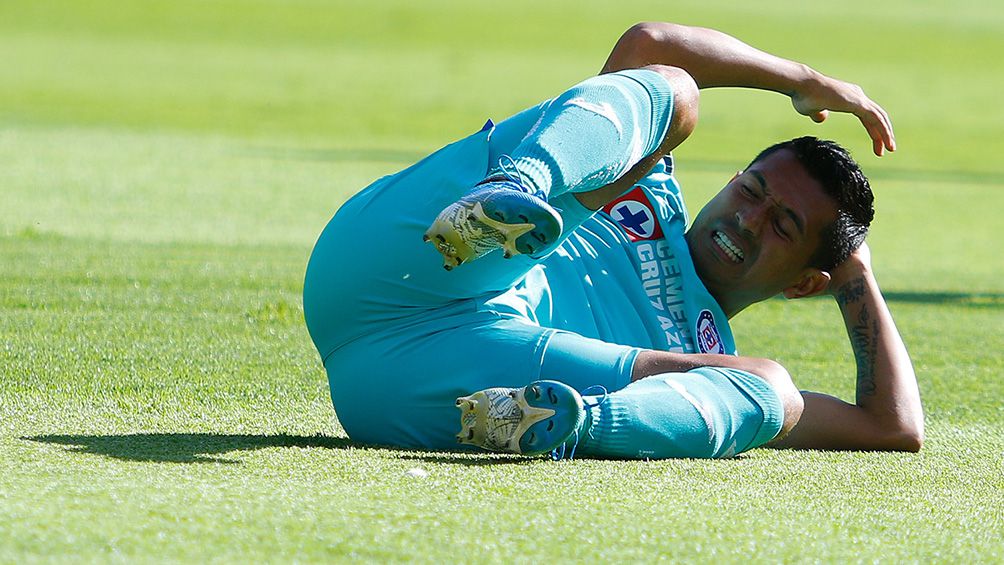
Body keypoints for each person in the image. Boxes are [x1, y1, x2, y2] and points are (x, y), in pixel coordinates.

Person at [303, 22, 924, 459]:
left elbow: (891, 426)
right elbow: (651, 44)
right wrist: (800, 78)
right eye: (752, 191)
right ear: (733, 181)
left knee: (771, 388)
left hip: (457, 388)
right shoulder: (644, 183)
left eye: (783, 225)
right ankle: (511, 194)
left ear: (804, 281)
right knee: (675, 93)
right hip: (405, 261)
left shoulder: (703, 373)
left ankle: (568, 421)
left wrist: (854, 272)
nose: (748, 219)